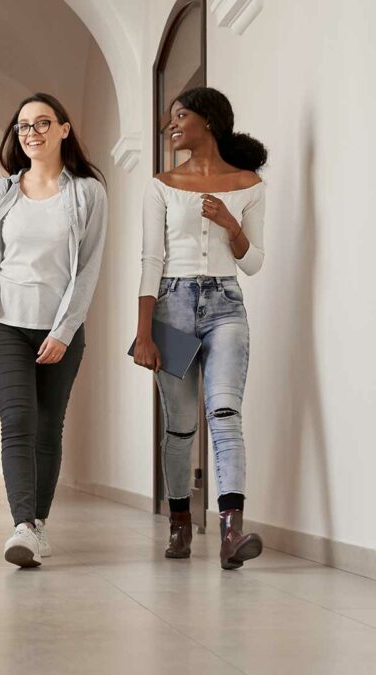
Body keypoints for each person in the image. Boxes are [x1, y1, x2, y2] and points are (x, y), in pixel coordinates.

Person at [0, 93, 107, 568]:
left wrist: (64, 329)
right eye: (24, 126)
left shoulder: (86, 192)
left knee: (49, 426)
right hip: (4, 323)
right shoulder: (0, 191)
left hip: (61, 326)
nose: (32, 133)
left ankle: (39, 523)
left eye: (43, 123)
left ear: (64, 129)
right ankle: (21, 525)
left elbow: (88, 269)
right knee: (17, 421)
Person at [133, 86, 267, 569]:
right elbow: (151, 259)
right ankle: (180, 524)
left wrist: (232, 224)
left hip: (226, 304)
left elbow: (253, 263)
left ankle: (232, 532)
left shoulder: (250, 184)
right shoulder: (161, 184)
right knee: (181, 427)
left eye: (180, 115)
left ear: (207, 120)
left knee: (225, 414)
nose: (172, 125)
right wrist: (144, 332)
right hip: (171, 306)